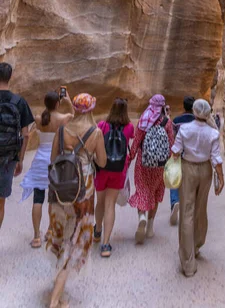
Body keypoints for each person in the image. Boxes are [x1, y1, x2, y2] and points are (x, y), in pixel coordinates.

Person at [47, 93, 107, 308]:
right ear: (91, 109)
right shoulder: (96, 133)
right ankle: (55, 300)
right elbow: (102, 161)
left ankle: (58, 283)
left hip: (60, 188)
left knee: (62, 232)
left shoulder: (63, 130)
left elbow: (53, 159)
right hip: (84, 191)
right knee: (75, 240)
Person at [172, 98, 224, 278]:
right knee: (200, 210)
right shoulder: (213, 133)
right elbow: (216, 158)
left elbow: (175, 151)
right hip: (205, 171)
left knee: (187, 211)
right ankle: (196, 245)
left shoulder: (185, 129)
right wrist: (221, 178)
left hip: (188, 169)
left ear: (194, 112)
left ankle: (188, 262)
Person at [20, 90, 74, 248]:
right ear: (57, 103)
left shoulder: (38, 118)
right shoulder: (62, 119)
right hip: (55, 161)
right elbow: (72, 113)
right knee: (53, 198)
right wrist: (68, 100)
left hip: (39, 162)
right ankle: (50, 230)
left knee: (38, 199)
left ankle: (36, 236)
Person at [128, 94, 174, 243]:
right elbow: (171, 144)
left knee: (142, 190)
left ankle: (141, 217)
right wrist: (171, 163)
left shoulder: (143, 120)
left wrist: (130, 158)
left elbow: (136, 142)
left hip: (143, 162)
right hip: (159, 165)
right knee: (155, 192)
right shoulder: (167, 122)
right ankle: (150, 228)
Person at [94, 97, 134, 257]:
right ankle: (105, 244)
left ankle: (97, 230)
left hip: (102, 168)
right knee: (110, 204)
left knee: (100, 202)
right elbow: (131, 138)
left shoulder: (102, 125)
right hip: (118, 171)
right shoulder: (129, 127)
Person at [0, 62, 34, 230]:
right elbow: (26, 134)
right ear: (10, 77)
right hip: (9, 158)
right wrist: (20, 160)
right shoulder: (18, 101)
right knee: (1, 201)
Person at [169, 95, 195, 226]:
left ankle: (175, 202)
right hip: (193, 156)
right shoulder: (198, 121)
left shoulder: (176, 120)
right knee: (189, 183)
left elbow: (173, 138)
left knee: (175, 180)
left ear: (183, 106)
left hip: (179, 154)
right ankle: (188, 209)